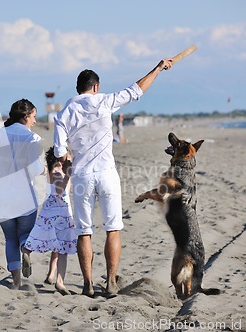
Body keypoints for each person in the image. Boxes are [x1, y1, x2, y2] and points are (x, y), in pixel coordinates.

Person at [53, 59, 173, 297]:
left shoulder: (65, 111)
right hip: (106, 174)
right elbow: (137, 89)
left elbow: (58, 152)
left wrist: (69, 156)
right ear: (95, 87)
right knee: (112, 228)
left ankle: (87, 284)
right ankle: (110, 282)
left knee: (84, 231)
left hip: (82, 176)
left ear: (78, 88)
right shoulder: (104, 101)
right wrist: (158, 68)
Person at [0, 98, 46, 289]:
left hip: (1, 199)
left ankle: (17, 282)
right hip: (25, 198)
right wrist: (46, 170)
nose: (35, 121)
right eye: (34, 117)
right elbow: (35, 170)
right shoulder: (32, 138)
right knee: (25, 234)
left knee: (10, 238)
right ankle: (25, 250)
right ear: (26, 116)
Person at [24, 147, 77, 296]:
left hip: (49, 209)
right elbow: (60, 191)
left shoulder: (51, 170)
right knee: (63, 249)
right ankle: (59, 282)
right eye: (69, 158)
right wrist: (68, 174)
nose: (70, 160)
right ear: (62, 159)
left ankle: (29, 252)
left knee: (46, 238)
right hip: (60, 211)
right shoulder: (57, 171)